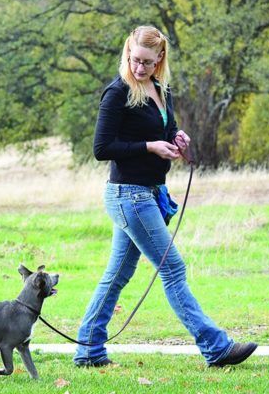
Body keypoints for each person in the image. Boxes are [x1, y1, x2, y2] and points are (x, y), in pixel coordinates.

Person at [72, 26, 257, 368]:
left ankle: (88, 350)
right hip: (128, 195)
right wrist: (149, 147)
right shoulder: (117, 93)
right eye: (134, 60)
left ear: (160, 59)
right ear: (128, 53)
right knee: (172, 268)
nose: (139, 68)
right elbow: (101, 149)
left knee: (117, 276)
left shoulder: (160, 88)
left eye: (146, 62)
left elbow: (164, 128)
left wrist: (176, 137)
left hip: (151, 193)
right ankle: (216, 348)